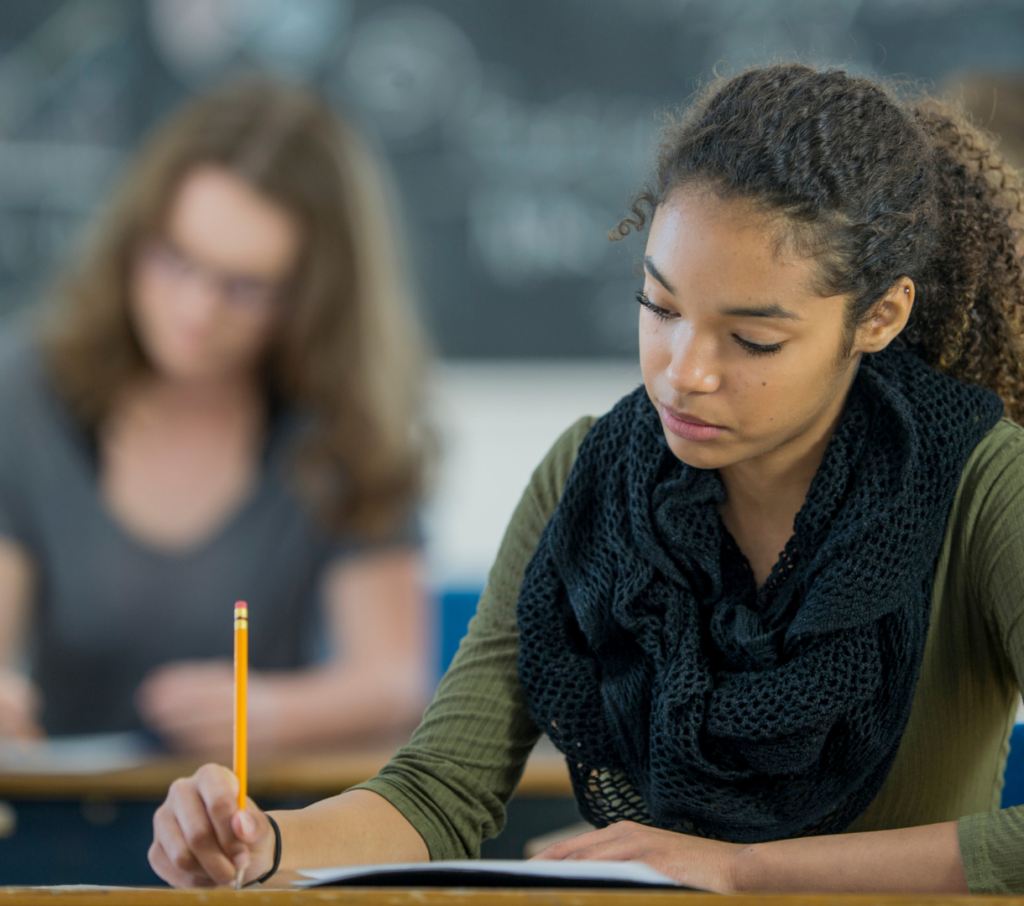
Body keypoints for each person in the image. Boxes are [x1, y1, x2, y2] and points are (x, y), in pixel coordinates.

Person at [148, 64, 1024, 894]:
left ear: (879, 315)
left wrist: (742, 869)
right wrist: (266, 846)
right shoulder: (585, 475)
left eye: (753, 340)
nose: (685, 372)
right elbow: (437, 792)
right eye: (661, 308)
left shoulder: (985, 483)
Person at [0, 78, 434, 756]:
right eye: (175, 260)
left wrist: (279, 713)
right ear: (132, 237)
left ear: (311, 297)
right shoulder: (25, 396)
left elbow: (395, 685)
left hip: (259, 832)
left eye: (245, 288)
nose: (196, 312)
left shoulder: (344, 428)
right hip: (61, 830)